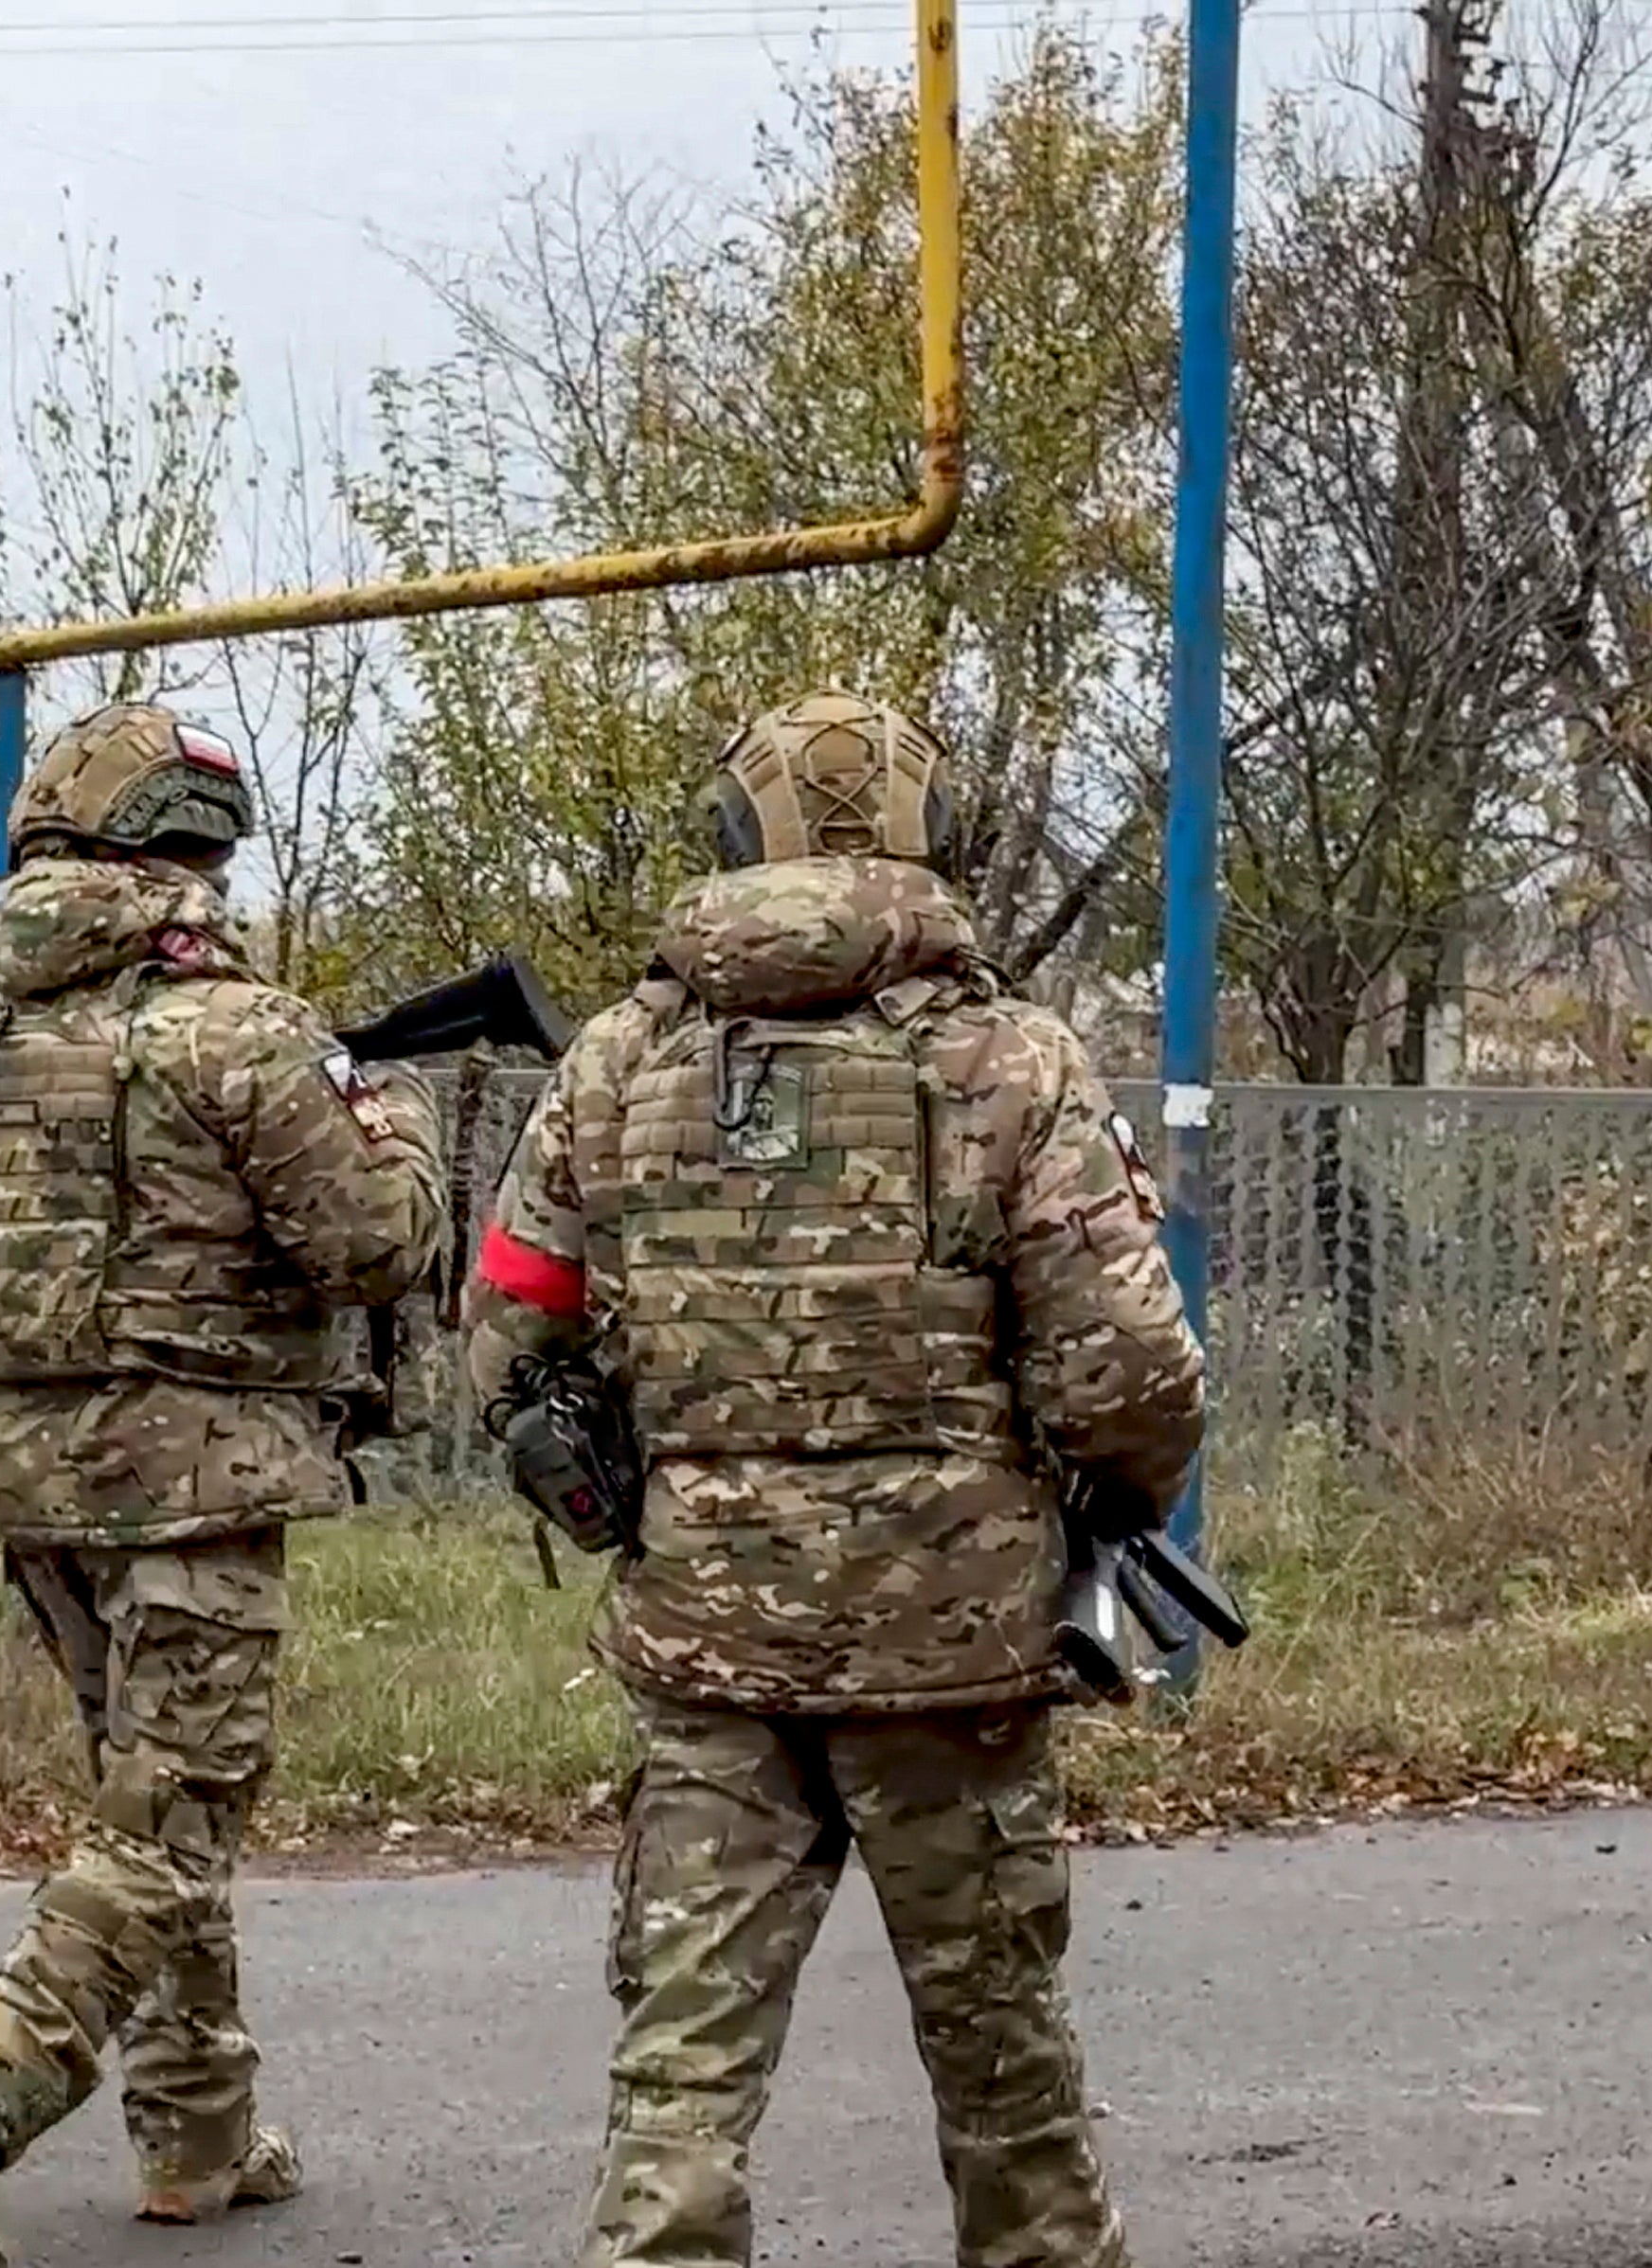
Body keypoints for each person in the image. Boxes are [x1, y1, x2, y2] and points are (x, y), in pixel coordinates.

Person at [460, 690, 1206, 2268]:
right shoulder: (1015, 1063)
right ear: (928, 839)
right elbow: (1132, 1374)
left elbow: (509, 1329)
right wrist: (1102, 1503)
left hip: (705, 1641)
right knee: (1003, 2068)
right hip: (954, 1650)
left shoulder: (616, 1060)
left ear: (737, 841)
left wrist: (617, 1485)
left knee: (681, 2072)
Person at [0, 700, 451, 2268]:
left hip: (38, 1486)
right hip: (199, 1480)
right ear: (187, 849)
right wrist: (409, 1127)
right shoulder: (234, 1028)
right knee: (171, 1823)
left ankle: (199, 2131)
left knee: (149, 1800)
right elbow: (376, 1239)